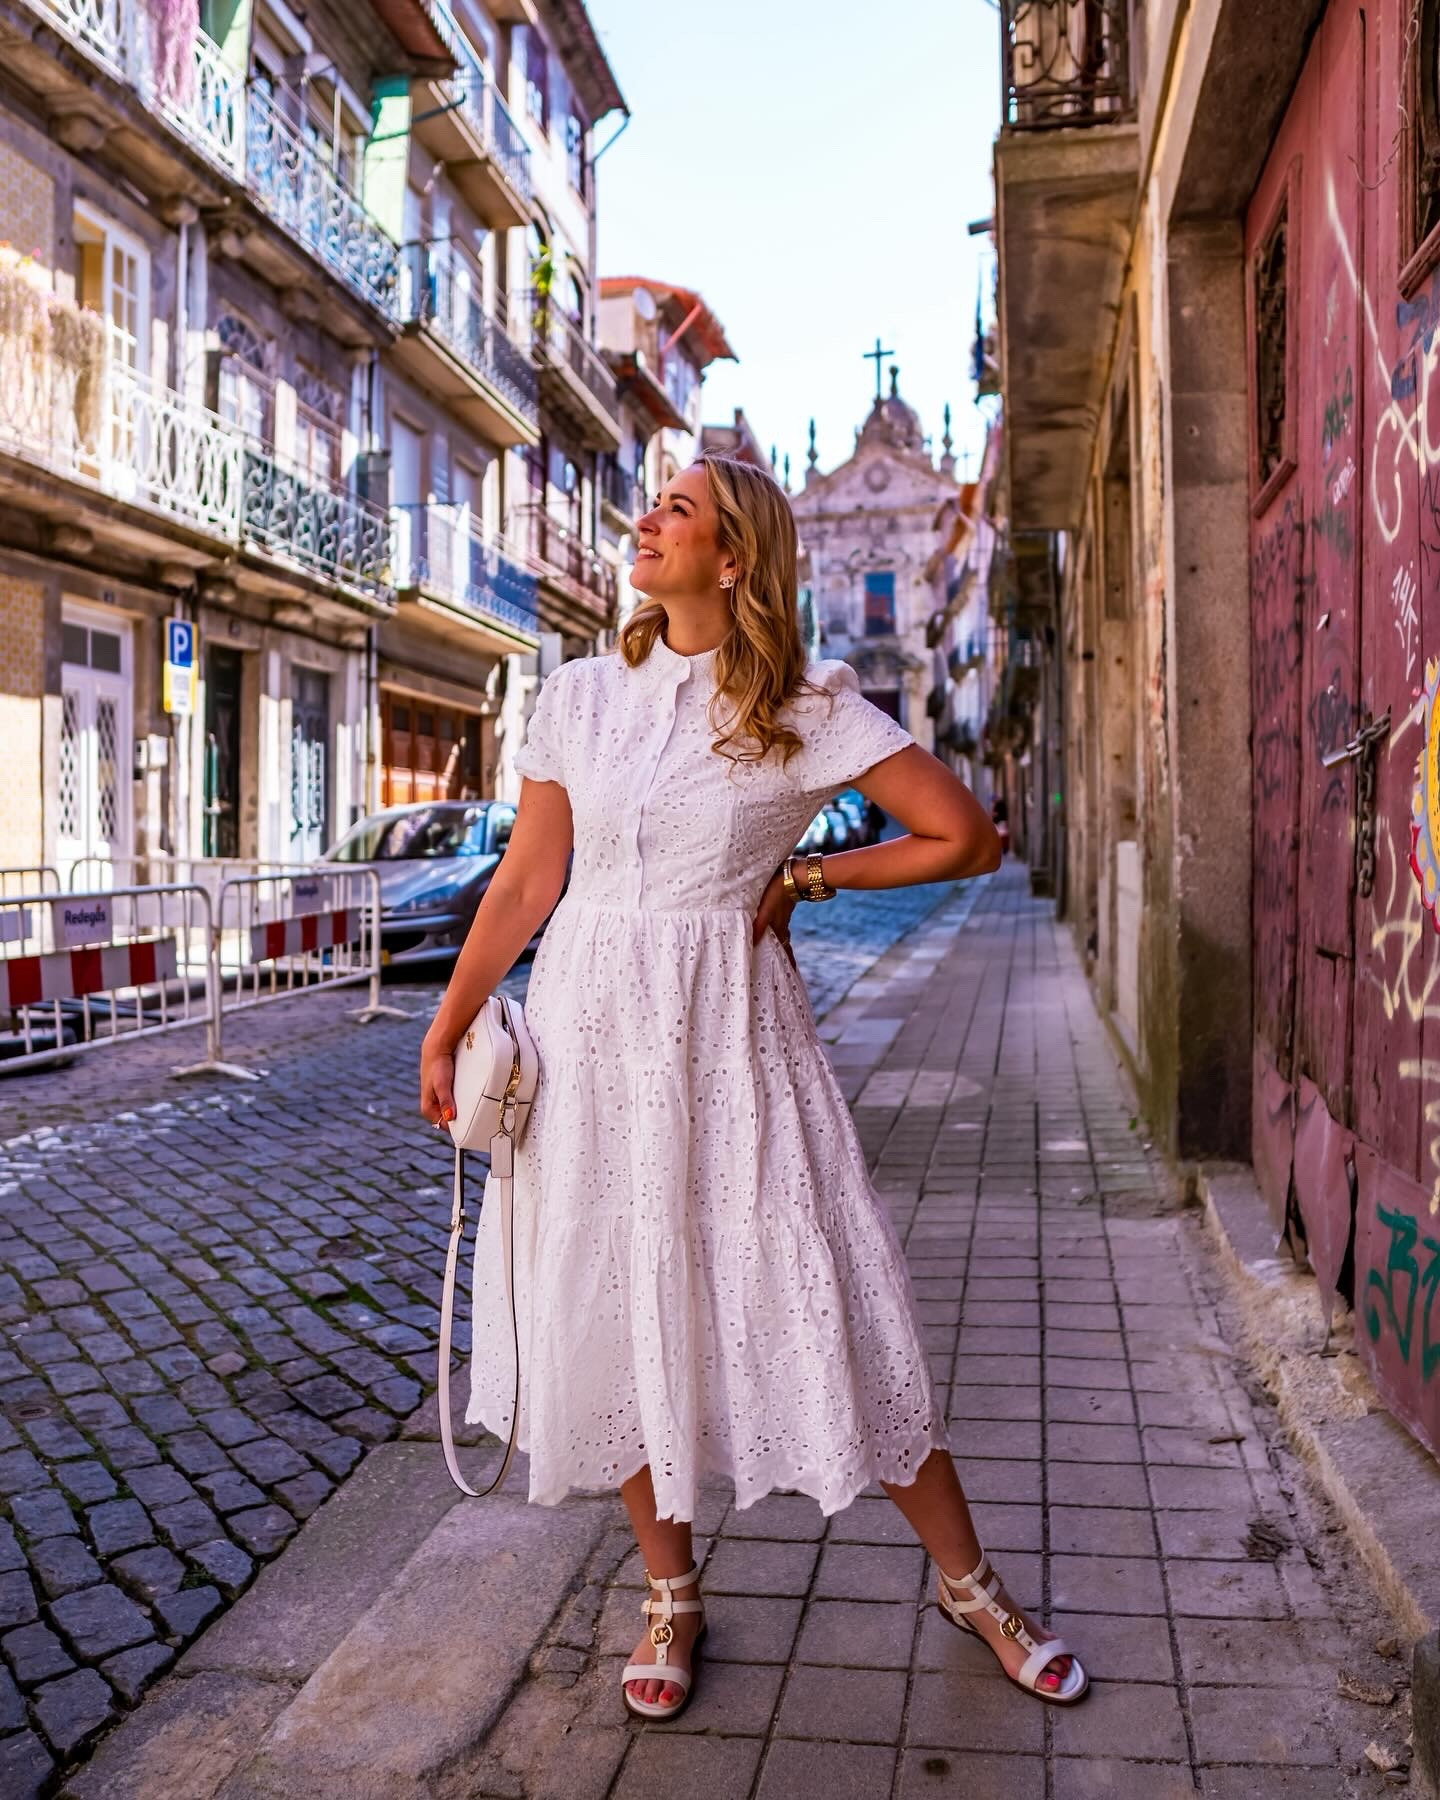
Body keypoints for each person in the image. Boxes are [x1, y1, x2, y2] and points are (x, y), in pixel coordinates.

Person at [419, 455, 1088, 1720]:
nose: (644, 519)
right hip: (585, 1042)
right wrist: (447, 1028)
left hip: (730, 1047)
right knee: (607, 1300)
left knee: (827, 1298)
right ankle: (670, 1593)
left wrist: (810, 881)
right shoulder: (577, 696)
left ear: (733, 559)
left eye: (674, 508)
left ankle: (974, 1583)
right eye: (651, 504)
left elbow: (966, 835)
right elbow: (524, 883)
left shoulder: (803, 705)